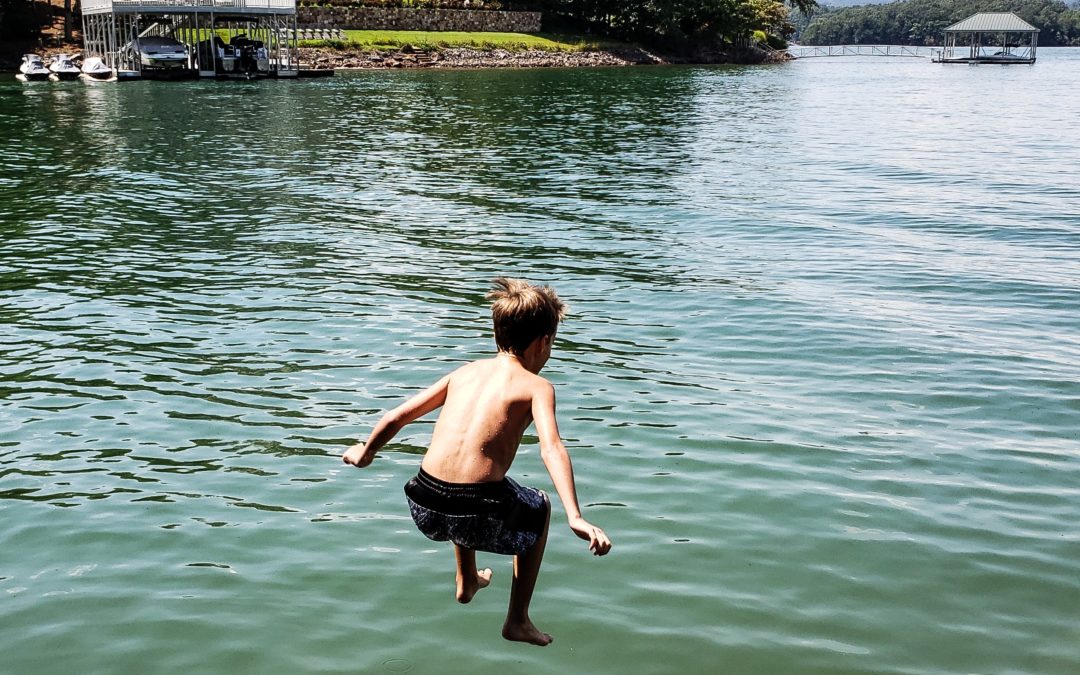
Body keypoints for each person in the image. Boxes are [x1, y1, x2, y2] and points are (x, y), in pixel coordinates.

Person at [342, 277, 612, 646]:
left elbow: (396, 418)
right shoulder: (537, 386)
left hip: (422, 502)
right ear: (543, 343)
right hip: (475, 512)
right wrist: (575, 516)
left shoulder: (464, 372)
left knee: (469, 484)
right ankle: (517, 619)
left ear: (496, 332)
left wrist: (365, 452)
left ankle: (466, 580)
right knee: (537, 505)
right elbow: (551, 447)